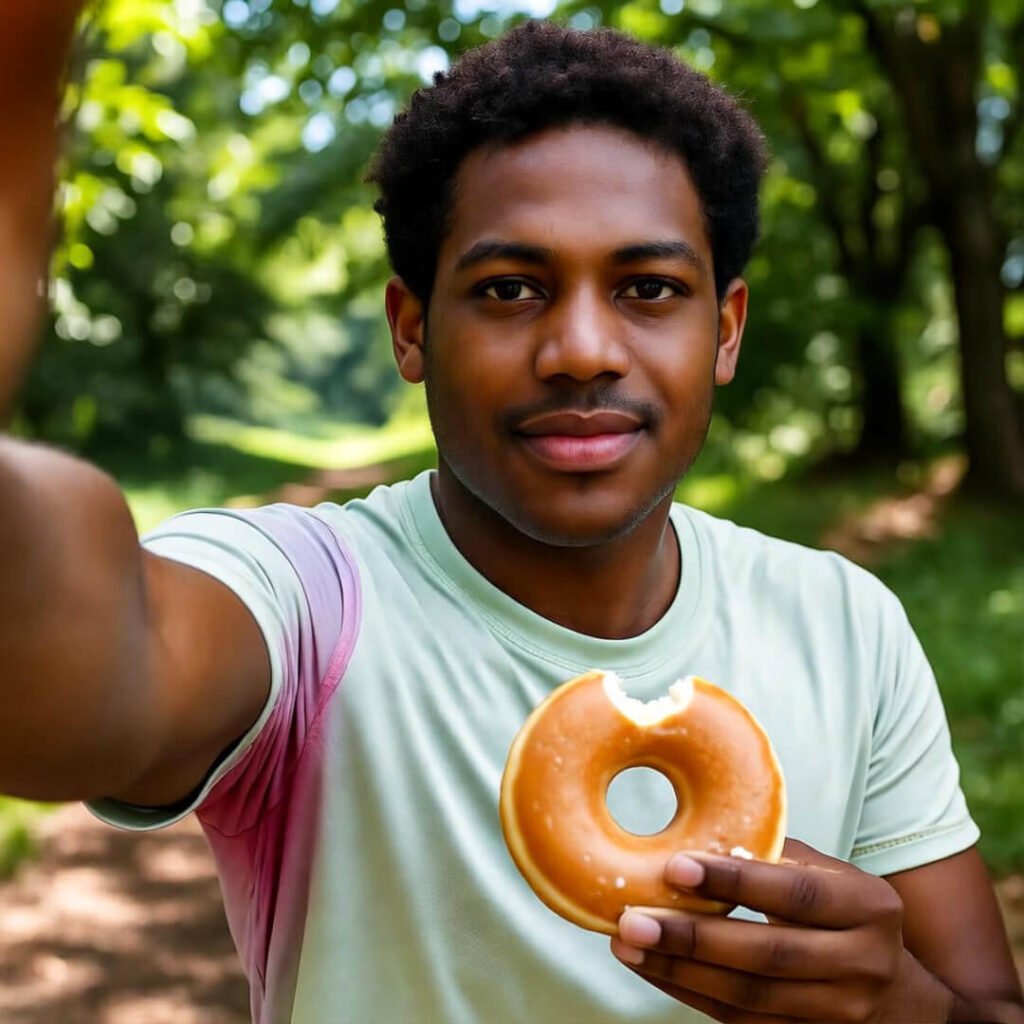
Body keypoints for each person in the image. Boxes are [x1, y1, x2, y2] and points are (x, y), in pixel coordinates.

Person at [2, 17, 1022, 1024]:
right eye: (509, 288)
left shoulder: (844, 623)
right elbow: (85, 670)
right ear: (412, 329)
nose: (581, 347)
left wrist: (896, 1005)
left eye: (648, 288)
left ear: (726, 328)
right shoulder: (308, 602)